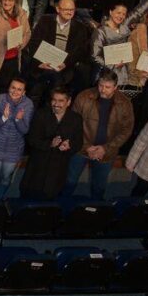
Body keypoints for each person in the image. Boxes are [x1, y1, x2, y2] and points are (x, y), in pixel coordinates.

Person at [60, 69, 134, 200]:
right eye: (100, 85)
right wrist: (86, 146)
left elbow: (126, 129)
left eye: (107, 87)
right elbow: (73, 124)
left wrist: (105, 148)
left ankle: (96, 211)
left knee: (99, 187)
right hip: (80, 148)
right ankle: (61, 207)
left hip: (107, 152)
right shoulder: (84, 96)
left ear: (115, 87)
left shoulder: (125, 103)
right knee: (69, 182)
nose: (103, 90)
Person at [92, 0, 148, 86]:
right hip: (106, 73)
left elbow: (137, 12)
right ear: (111, 12)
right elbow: (95, 56)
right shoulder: (101, 31)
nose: (121, 16)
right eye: (118, 13)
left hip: (122, 72)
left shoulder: (124, 25)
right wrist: (112, 65)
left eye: (124, 14)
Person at [18, 87, 83, 200]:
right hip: (37, 168)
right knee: (30, 199)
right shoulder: (41, 114)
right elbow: (32, 139)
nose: (56, 104)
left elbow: (79, 143)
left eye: (61, 101)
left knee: (51, 203)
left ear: (68, 102)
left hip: (58, 170)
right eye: (54, 100)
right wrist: (49, 144)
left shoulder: (76, 119)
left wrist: (69, 145)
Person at [24, 0, 90, 107]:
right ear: (58, 9)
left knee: (57, 90)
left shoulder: (80, 27)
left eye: (72, 10)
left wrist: (66, 63)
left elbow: (80, 52)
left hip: (63, 68)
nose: (69, 12)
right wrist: (40, 63)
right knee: (35, 92)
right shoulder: (45, 20)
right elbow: (34, 43)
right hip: (42, 65)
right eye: (66, 9)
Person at [0, 78, 34, 200]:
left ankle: (0, 199)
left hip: (14, 149)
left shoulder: (28, 104)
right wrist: (3, 118)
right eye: (13, 87)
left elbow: (25, 130)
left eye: (19, 89)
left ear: (24, 92)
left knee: (6, 178)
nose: (15, 91)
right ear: (8, 87)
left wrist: (18, 120)